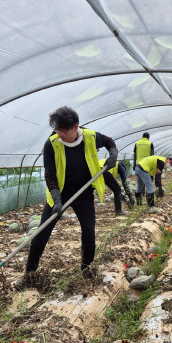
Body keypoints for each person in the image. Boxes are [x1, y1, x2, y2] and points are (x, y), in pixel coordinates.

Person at [15, 106, 118, 289]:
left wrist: (113, 154)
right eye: (56, 130)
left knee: (89, 232)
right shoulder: (51, 144)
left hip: (84, 193)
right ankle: (29, 274)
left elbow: (109, 141)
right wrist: (56, 200)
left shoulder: (91, 137)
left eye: (63, 131)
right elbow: (49, 174)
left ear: (75, 127)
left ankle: (86, 271)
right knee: (42, 233)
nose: (59, 134)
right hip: (59, 193)